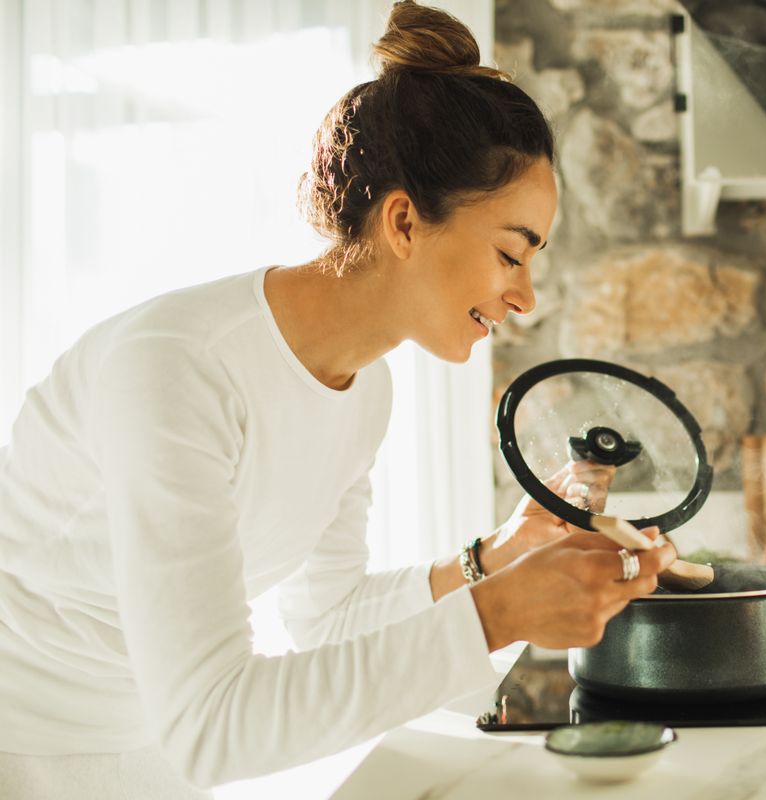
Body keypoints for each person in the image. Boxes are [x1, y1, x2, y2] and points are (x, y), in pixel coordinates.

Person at [0, 2, 676, 797]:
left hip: (158, 760)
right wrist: (497, 614)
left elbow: (327, 617)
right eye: (509, 253)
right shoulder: (175, 372)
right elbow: (215, 724)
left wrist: (494, 563)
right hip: (36, 757)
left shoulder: (365, 388)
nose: (525, 296)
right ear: (402, 221)